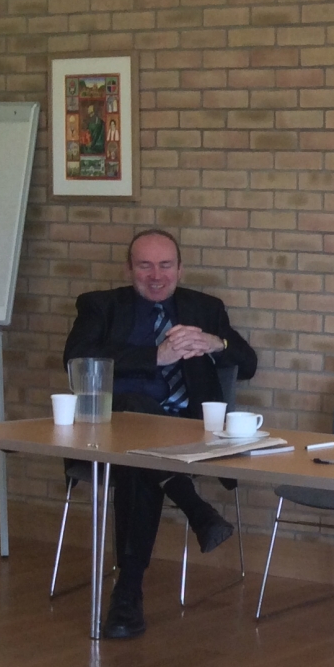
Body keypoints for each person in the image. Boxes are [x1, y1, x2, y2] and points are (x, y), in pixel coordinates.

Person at [64, 228, 258, 638]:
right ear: (129, 269)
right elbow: (77, 358)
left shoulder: (205, 308)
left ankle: (128, 596)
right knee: (137, 425)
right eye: (145, 266)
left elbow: (248, 363)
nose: (156, 276)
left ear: (180, 269)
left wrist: (216, 343)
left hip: (187, 431)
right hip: (112, 430)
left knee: (140, 460)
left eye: (165, 265)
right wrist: (157, 355)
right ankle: (192, 512)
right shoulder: (100, 306)